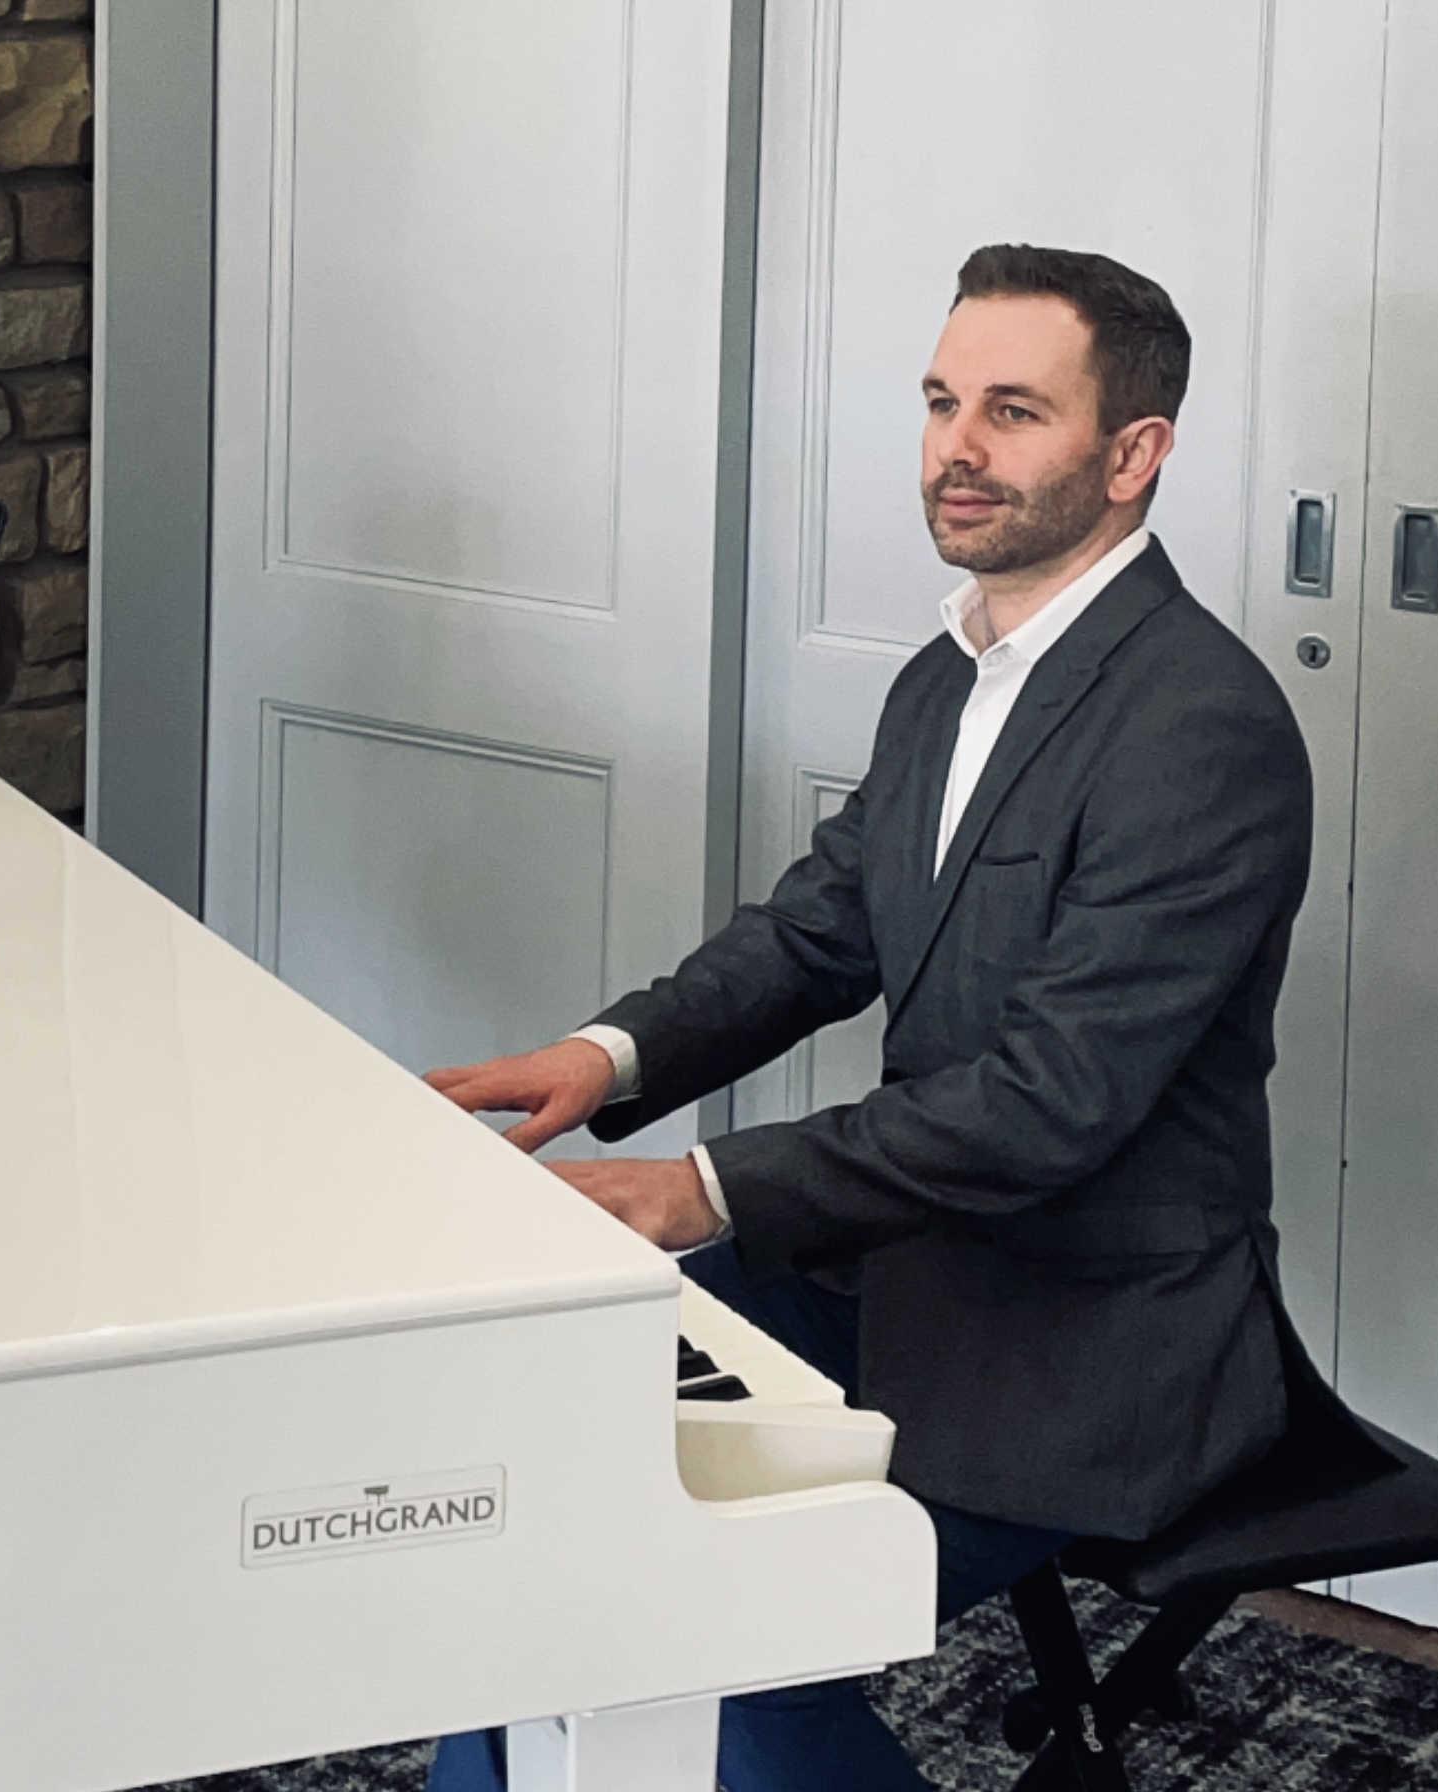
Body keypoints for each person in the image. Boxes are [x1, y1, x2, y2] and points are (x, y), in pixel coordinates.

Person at [425, 243, 1312, 1792]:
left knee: (699, 1638)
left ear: (1133, 455)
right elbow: (818, 930)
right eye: (940, 399)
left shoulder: (1202, 729)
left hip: (1088, 1345)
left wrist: (695, 1187)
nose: (956, 447)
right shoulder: (947, 674)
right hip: (897, 1277)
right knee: (528, 1539)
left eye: (1014, 411)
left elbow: (1051, 1099)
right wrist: (605, 1057)